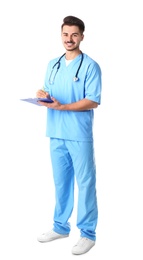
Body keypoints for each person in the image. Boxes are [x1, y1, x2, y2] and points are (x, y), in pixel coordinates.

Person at [36, 15, 102, 255]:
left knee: (85, 184)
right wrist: (42, 93)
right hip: (55, 132)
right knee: (61, 183)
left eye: (74, 34)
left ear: (82, 36)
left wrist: (63, 107)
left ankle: (88, 234)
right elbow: (49, 91)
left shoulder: (90, 66)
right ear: (61, 35)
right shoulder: (53, 64)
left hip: (78, 134)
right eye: (66, 34)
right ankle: (60, 227)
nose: (69, 39)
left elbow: (93, 100)